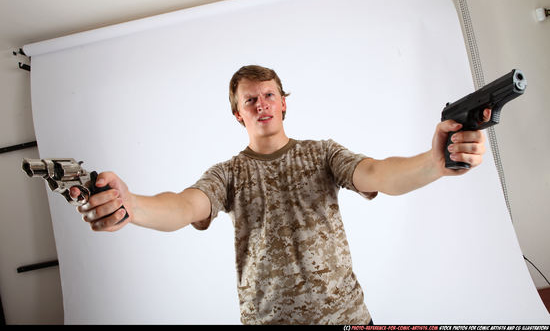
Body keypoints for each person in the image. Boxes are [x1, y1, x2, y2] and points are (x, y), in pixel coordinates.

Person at [71, 65, 489, 325]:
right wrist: (133, 205)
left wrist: (434, 163)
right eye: (250, 99)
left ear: (284, 102)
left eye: (269, 94)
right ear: (239, 114)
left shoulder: (323, 153)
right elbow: (184, 206)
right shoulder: (229, 174)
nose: (262, 104)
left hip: (347, 318)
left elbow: (377, 173)